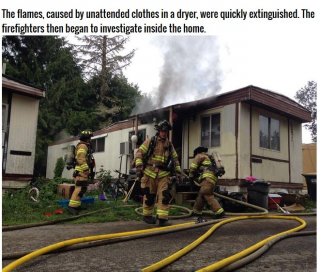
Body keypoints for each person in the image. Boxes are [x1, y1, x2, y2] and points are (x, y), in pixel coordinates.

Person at [135, 120, 182, 226]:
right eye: (162, 131)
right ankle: (147, 216)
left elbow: (175, 159)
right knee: (149, 196)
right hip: (149, 173)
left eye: (166, 131)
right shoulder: (150, 141)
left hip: (164, 175)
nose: (164, 133)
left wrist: (178, 172)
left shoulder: (169, 145)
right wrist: (139, 166)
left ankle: (162, 218)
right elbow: (139, 153)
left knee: (164, 196)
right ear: (159, 131)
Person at [189, 146, 225, 220]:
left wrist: (191, 176)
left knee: (207, 194)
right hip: (212, 179)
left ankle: (219, 211)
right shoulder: (209, 158)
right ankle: (196, 211)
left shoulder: (199, 156)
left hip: (207, 179)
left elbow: (193, 167)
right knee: (201, 194)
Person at [68, 129, 95, 215]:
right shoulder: (83, 146)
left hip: (81, 173)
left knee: (81, 189)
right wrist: (86, 169)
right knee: (79, 189)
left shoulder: (83, 145)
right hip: (81, 172)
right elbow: (81, 158)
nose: (90, 140)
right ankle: (72, 207)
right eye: (89, 138)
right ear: (86, 138)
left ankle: (76, 205)